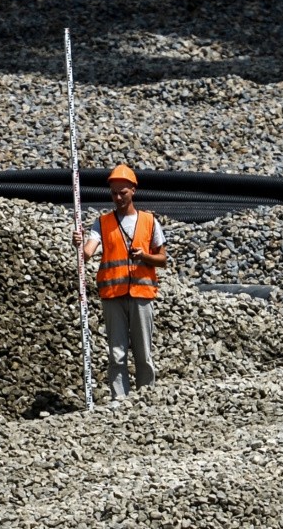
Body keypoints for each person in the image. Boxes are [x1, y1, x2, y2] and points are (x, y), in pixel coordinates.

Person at [72, 164, 167, 401]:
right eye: (114, 193)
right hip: (113, 294)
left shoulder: (150, 221)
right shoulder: (102, 223)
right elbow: (87, 254)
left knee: (143, 352)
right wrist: (78, 244)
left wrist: (144, 256)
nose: (117, 197)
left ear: (133, 190)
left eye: (122, 192)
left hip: (142, 294)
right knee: (117, 353)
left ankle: (146, 395)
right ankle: (119, 398)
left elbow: (162, 259)